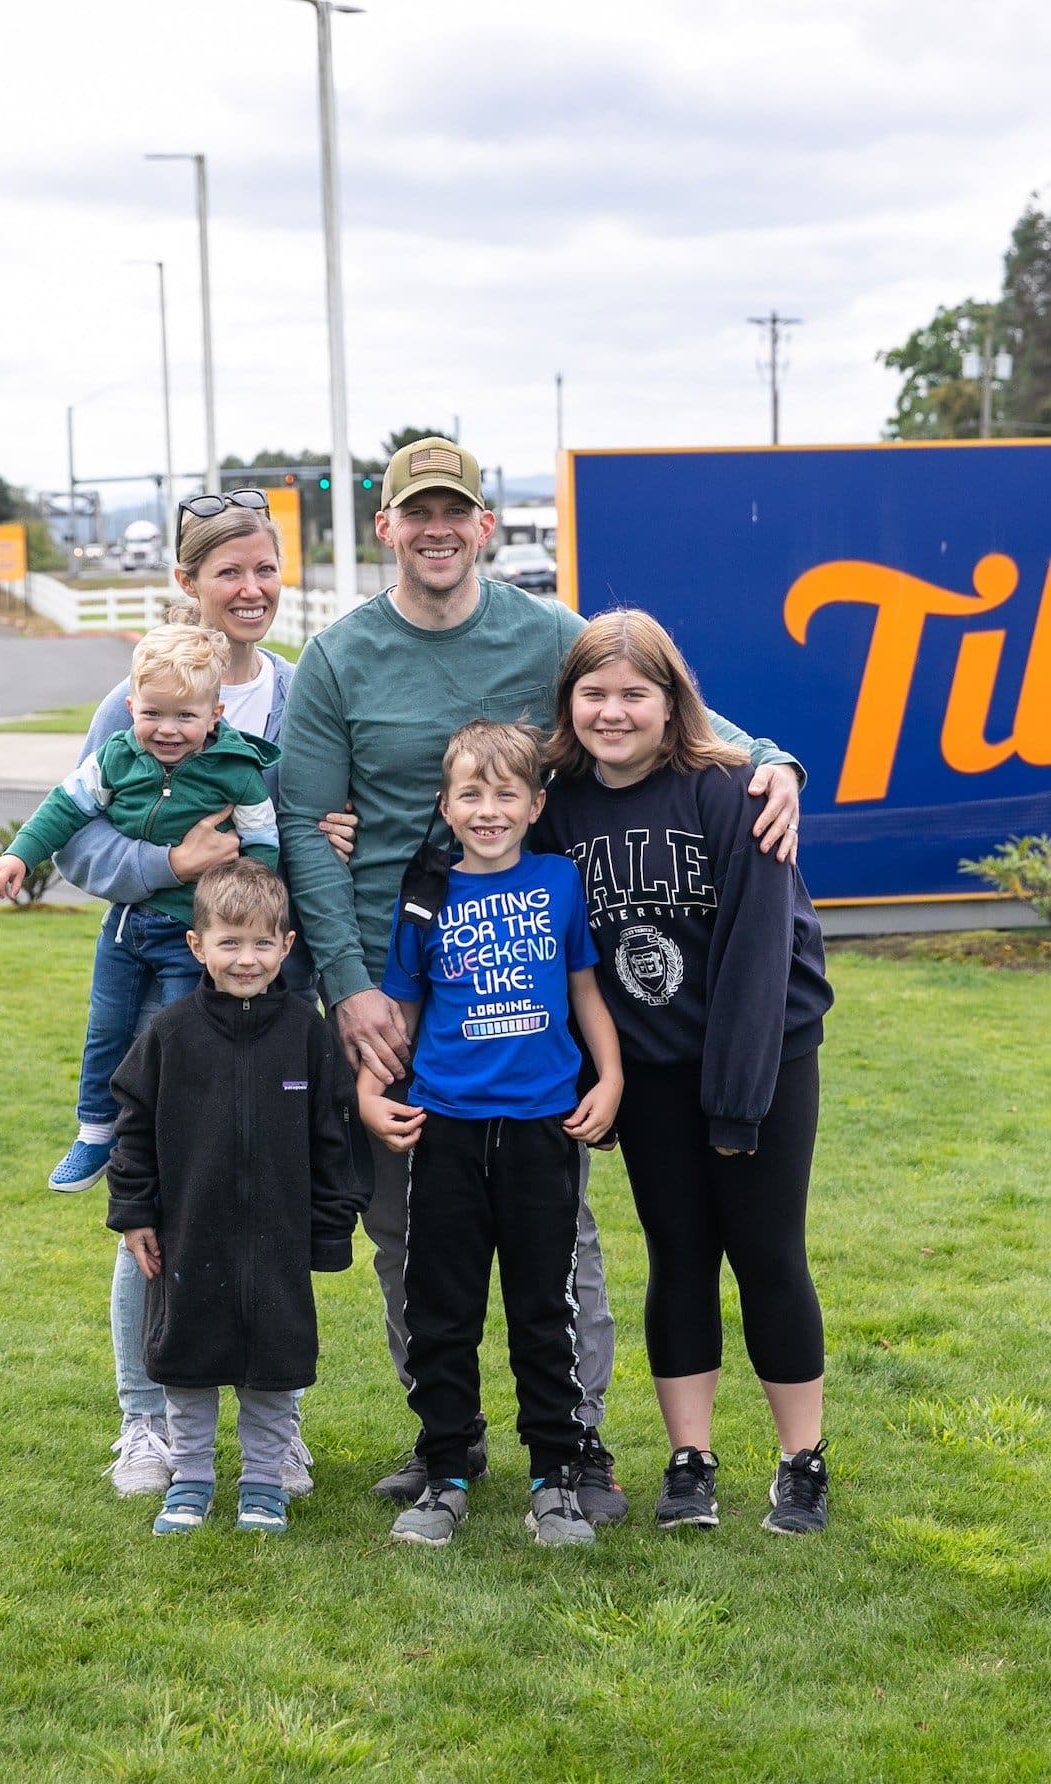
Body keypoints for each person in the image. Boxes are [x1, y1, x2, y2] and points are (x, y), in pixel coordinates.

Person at [276, 434, 805, 1519]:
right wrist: (350, 990)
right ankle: (447, 1445)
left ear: (482, 526)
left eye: (453, 512)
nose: (434, 531)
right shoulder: (340, 658)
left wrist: (773, 760)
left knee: (559, 1235)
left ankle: (581, 1447)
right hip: (401, 982)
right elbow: (300, 823)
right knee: (411, 1235)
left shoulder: (541, 635)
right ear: (385, 527)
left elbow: (659, 700)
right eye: (413, 513)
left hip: (532, 972)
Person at [52, 494, 357, 1502]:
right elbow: (79, 842)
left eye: (266, 568)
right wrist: (167, 859)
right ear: (188, 583)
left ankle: (281, 1427)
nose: (251, 588)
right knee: (158, 1205)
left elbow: (326, 812)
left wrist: (338, 834)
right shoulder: (138, 697)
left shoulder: (306, 689)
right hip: (167, 988)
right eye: (228, 571)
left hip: (285, 988)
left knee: (270, 1192)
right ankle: (148, 1422)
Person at [538, 610, 835, 1534]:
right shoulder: (558, 805)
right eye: (595, 693)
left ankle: (802, 1460)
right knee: (679, 1256)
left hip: (761, 1058)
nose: (613, 711)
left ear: (673, 705)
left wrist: (738, 1107)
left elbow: (758, 955)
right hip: (654, 1069)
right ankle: (691, 1461)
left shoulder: (735, 790)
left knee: (768, 1252)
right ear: (569, 704)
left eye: (635, 693)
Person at [359, 721, 623, 1547]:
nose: (488, 808)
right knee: (441, 1308)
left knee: (543, 1307)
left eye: (506, 792)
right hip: (446, 1128)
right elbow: (402, 1007)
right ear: (446, 804)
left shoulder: (558, 881)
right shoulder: (426, 892)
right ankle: (445, 1475)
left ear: (535, 803)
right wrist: (371, 1089)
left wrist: (609, 1078)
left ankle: (554, 1477)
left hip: (543, 1128)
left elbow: (584, 989)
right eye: (470, 793)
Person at [106, 860, 364, 1536]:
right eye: (229, 942)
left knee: (274, 1365)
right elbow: (130, 1127)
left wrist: (330, 1230)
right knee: (186, 1362)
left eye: (261, 943)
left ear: (286, 945)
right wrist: (133, 1211)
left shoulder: (308, 1034)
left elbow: (333, 1135)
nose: (246, 958)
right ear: (198, 946)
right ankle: (189, 1479)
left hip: (278, 1237)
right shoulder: (169, 1034)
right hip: (190, 1235)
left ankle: (263, 1482)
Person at [0, 621, 280, 1179]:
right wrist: (19, 855)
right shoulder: (117, 757)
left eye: (185, 716)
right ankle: (94, 1132)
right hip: (125, 926)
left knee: (179, 1035)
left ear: (215, 714)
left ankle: (168, 1140)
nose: (167, 730)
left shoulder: (238, 772)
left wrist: (247, 906)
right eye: (152, 714)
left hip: (190, 935)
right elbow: (63, 809)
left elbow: (263, 845)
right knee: (106, 1028)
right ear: (130, 706)